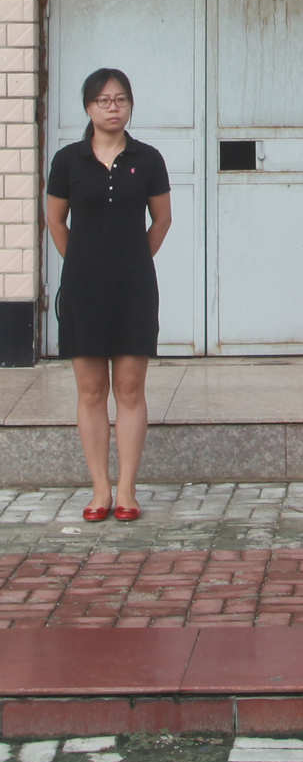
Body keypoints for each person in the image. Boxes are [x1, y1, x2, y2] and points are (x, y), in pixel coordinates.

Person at [45, 68, 172, 524]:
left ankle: (127, 490)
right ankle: (99, 487)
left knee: (131, 389)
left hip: (135, 288)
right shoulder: (67, 161)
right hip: (83, 289)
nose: (112, 106)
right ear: (88, 108)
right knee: (91, 389)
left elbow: (161, 221)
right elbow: (56, 222)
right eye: (102, 100)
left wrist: (134, 259)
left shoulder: (149, 158)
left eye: (120, 99)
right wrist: (81, 261)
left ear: (130, 105)